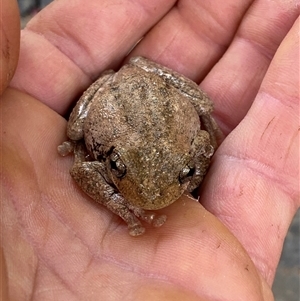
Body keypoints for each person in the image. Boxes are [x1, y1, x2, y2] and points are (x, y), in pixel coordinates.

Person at [1, 0, 299, 300]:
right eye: (119, 169)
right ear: (116, 163)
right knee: (75, 131)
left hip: (159, 94)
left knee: (206, 106)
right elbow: (82, 170)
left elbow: (205, 143)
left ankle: (152, 92)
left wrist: (191, 174)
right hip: (114, 91)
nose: (153, 197)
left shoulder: (189, 150)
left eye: (182, 173)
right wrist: (117, 201)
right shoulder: (115, 156)